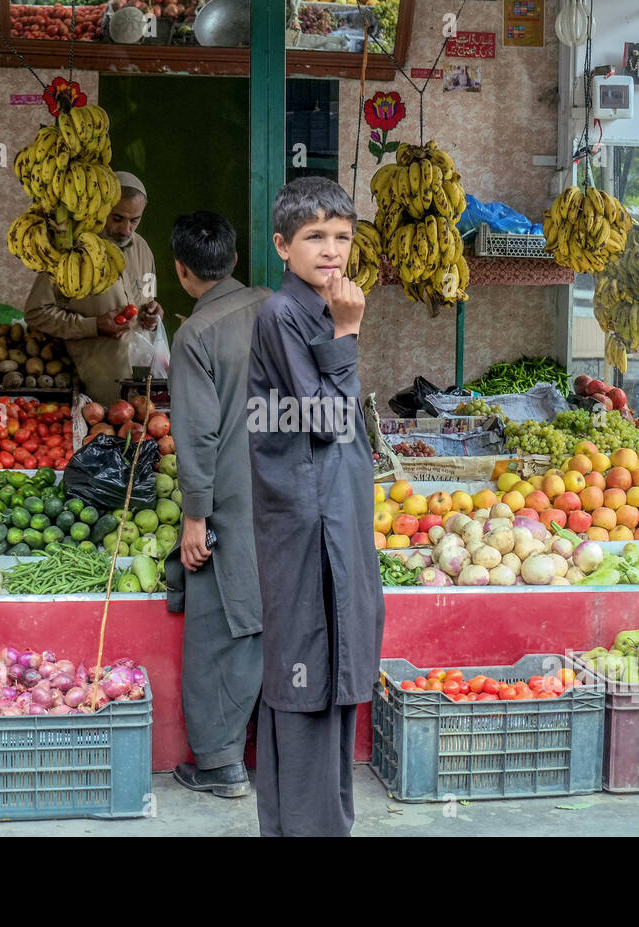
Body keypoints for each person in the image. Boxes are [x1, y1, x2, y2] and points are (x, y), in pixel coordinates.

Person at [247, 177, 385, 837]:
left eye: (342, 237)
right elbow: (327, 415)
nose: (331, 251)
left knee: (332, 669)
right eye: (314, 238)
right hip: (306, 519)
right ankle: (308, 824)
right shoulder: (281, 313)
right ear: (282, 245)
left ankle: (316, 822)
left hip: (332, 510)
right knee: (305, 672)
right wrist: (349, 331)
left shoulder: (322, 304)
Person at [163, 211, 272, 798]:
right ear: (233, 259)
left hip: (231, 499)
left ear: (182, 271)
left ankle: (220, 765)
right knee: (274, 616)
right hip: (290, 496)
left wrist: (195, 516)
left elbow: (197, 432)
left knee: (219, 626)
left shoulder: (196, 334)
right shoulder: (283, 308)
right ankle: (279, 755)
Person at [23, 171, 162, 403]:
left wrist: (153, 314)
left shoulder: (142, 249)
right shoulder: (70, 251)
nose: (126, 229)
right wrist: (93, 326)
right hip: (96, 388)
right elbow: (36, 312)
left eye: (134, 220)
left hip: (143, 382)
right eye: (117, 218)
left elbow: (149, 297)